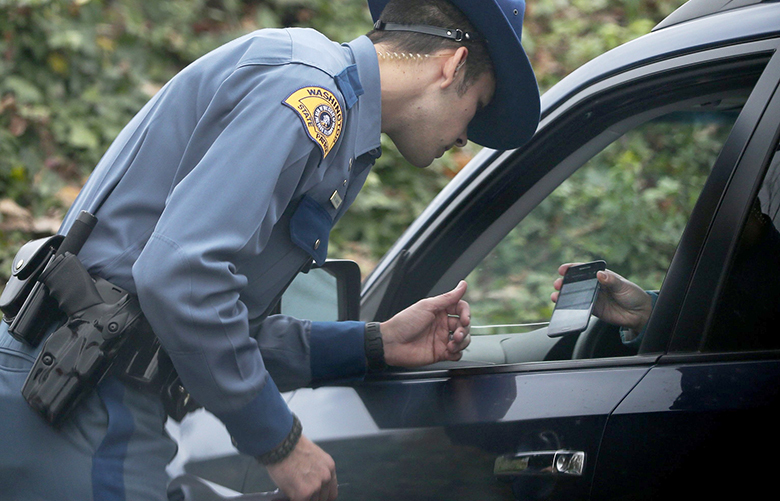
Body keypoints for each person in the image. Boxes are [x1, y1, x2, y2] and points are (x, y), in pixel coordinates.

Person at [0, 1, 541, 500]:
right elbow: (182, 279)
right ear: (452, 65)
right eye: (479, 105)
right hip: (83, 404)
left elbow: (211, 319)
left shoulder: (327, 102)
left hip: (86, 391)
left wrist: (374, 345)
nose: (467, 136)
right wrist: (280, 443)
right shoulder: (311, 95)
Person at [552, 199, 780, 351]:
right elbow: (732, 336)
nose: (708, 224)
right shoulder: (731, 273)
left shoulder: (757, 268)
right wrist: (645, 314)